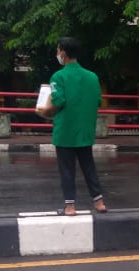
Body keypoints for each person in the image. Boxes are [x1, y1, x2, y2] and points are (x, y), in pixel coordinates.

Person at [37, 36, 108, 216]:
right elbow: (98, 101)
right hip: (85, 131)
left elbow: (58, 102)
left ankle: (70, 207)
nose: (57, 53)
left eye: (57, 50)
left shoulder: (58, 76)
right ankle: (99, 202)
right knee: (88, 167)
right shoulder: (92, 77)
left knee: (67, 170)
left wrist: (44, 111)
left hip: (65, 132)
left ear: (63, 52)